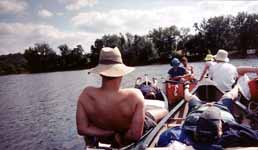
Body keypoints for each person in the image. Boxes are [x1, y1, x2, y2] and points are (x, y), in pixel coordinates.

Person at [76, 47, 168, 148]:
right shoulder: (135, 95)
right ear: (121, 72)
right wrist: (120, 136)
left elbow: (82, 129)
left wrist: (109, 133)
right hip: (125, 135)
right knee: (164, 111)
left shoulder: (86, 94)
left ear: (101, 73)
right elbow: (135, 135)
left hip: (103, 134)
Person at [157, 83, 258, 149]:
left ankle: (186, 88)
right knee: (228, 96)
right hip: (218, 112)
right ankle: (237, 86)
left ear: (197, 130)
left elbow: (162, 139)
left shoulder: (182, 134)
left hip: (199, 113)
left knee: (191, 97)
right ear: (220, 130)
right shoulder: (231, 134)